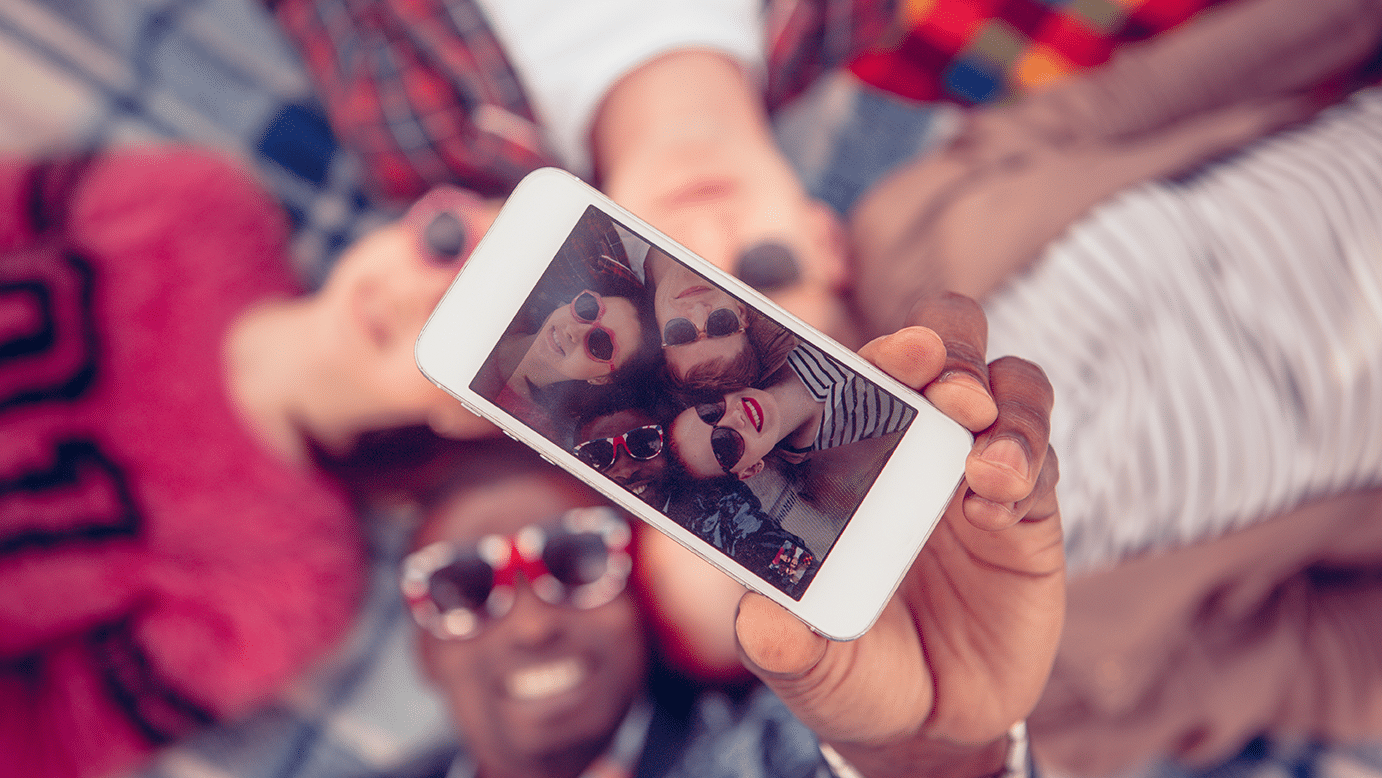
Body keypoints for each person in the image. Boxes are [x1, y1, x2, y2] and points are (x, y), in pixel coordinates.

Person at [399, 292, 1064, 778]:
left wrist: (938, 761)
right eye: (461, 587)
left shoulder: (792, 744)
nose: (530, 626)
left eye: (577, 558)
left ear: (645, 596)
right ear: (421, 649)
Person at [0, 147, 502, 778]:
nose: (409, 295)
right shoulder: (196, 202)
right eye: (450, 242)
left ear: (474, 418)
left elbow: (53, 738)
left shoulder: (293, 581)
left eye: (463, 327)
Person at [667, 340, 915, 482]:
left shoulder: (774, 344)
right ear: (750, 470)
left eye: (710, 410)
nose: (735, 417)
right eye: (725, 444)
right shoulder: (834, 462)